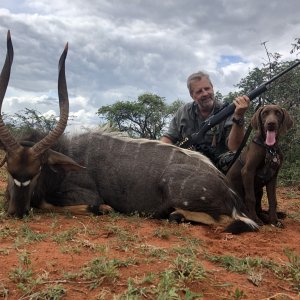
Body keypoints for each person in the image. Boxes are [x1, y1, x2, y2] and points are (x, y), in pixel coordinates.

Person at [160, 71, 250, 172]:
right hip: (187, 163)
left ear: (212, 88)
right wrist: (161, 157)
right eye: (199, 91)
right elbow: (168, 138)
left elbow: (235, 147)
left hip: (219, 166)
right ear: (192, 95)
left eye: (207, 89)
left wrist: (239, 115)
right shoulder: (183, 112)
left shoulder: (229, 111)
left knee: (238, 158)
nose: (205, 93)